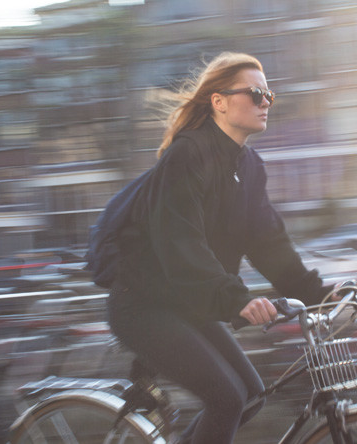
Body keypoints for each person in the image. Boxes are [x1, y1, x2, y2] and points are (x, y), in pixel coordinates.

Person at [106, 52, 335, 444]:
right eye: (255, 93)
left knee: (252, 395)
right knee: (228, 398)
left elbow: (268, 243)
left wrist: (317, 294)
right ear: (219, 101)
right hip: (142, 304)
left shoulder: (249, 166)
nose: (265, 102)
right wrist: (236, 300)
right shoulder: (187, 155)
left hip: (189, 302)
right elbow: (181, 245)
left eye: (269, 96)